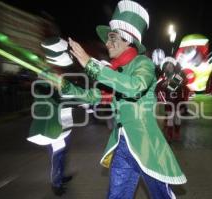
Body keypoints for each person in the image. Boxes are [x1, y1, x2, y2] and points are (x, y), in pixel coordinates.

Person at [59, 1, 187, 198]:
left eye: (112, 38)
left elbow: (134, 86)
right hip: (121, 145)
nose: (107, 43)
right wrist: (63, 85)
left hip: (146, 146)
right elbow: (93, 97)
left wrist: (91, 65)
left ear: (128, 40)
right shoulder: (114, 71)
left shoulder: (143, 64)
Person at [27, 82, 73, 196]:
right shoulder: (41, 93)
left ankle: (61, 177)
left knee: (62, 154)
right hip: (51, 130)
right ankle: (56, 184)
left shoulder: (54, 90)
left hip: (62, 127)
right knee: (56, 157)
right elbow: (54, 102)